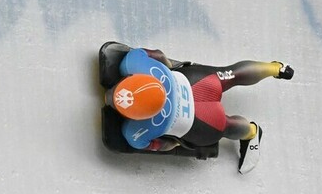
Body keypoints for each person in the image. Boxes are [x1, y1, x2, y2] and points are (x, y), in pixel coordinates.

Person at [105, 46, 293, 173]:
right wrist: (171, 69)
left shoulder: (134, 133)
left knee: (225, 126)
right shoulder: (135, 61)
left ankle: (251, 132)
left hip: (201, 123)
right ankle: (276, 68)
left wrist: (178, 142)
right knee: (232, 74)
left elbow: (166, 145)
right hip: (200, 81)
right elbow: (162, 58)